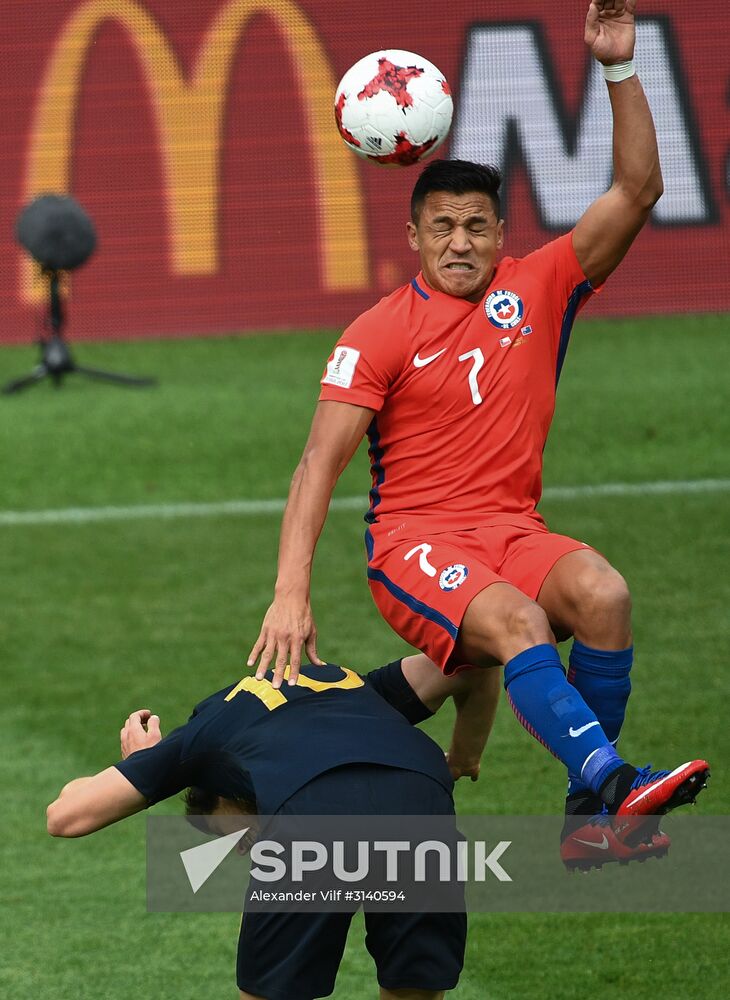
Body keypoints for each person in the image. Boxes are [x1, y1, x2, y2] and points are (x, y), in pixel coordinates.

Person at [247, 0, 710, 869]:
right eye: (442, 228)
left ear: (501, 233)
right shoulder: (376, 333)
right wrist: (290, 590)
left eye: (477, 226)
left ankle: (589, 821)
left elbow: (640, 190)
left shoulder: (539, 287)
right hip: (414, 547)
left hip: (512, 533)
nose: (459, 243)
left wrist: (617, 67)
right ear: (413, 235)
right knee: (521, 624)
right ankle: (616, 785)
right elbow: (320, 463)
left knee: (604, 595)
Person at [47, 655, 499, 1000]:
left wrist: (145, 762)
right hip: (422, 810)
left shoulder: (205, 736)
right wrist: (463, 757)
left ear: (219, 793)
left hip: (317, 822)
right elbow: (471, 660)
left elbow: (65, 816)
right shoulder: (357, 688)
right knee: (413, 989)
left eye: (243, 838)